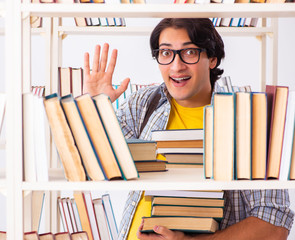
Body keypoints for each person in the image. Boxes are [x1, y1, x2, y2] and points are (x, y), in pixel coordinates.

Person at [83, 18, 294, 240]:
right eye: (166, 53)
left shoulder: (246, 116)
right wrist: (94, 108)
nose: (176, 66)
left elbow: (274, 224)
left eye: (190, 52)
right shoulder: (145, 103)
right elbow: (99, 162)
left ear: (212, 58)